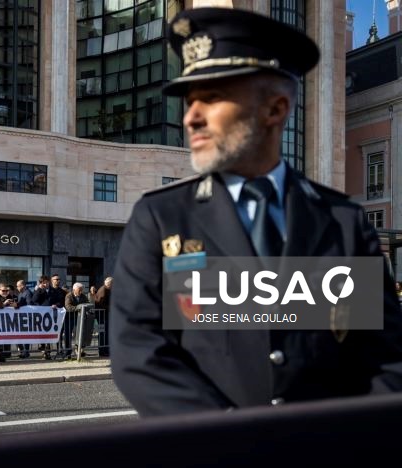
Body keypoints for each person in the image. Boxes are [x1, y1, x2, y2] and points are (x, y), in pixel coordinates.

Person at [110, 7, 402, 416]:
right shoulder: (162, 218)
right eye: (190, 101)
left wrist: (338, 439)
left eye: (211, 98)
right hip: (211, 452)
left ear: (275, 109)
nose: (191, 117)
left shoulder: (342, 222)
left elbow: (384, 359)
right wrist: (233, 434)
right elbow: (139, 351)